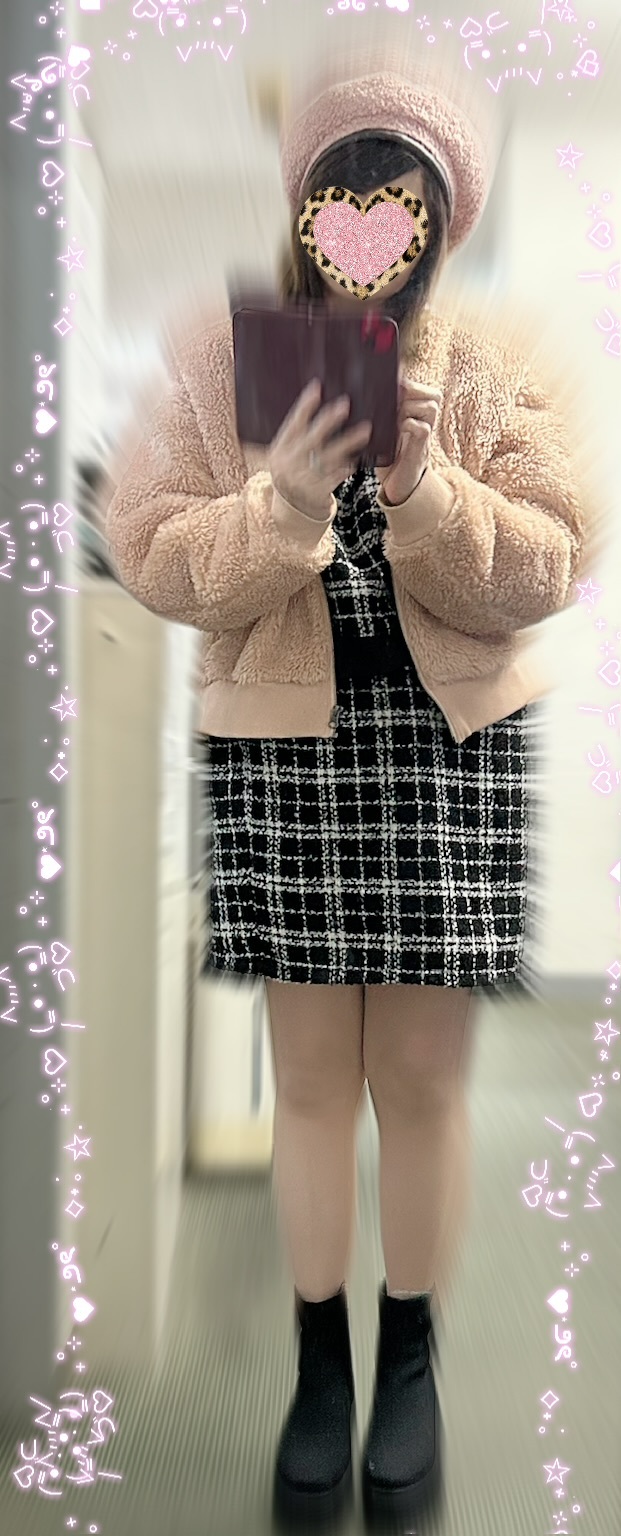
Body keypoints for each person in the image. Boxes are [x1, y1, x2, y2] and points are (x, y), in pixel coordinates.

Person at [104, 67, 586, 1532]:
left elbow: (556, 557)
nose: (370, 225)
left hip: (449, 754)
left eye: (400, 201)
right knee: (312, 1081)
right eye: (345, 193)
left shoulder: (492, 361)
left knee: (421, 1082)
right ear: (306, 203)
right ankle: (322, 1369)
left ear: (439, 220)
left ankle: (410, 1364)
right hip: (282, 748)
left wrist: (429, 486)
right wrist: (284, 506)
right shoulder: (220, 354)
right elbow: (149, 550)